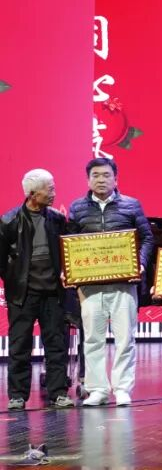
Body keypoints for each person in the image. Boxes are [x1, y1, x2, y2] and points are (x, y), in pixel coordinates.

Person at [67, 158, 156, 407]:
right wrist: (69, 270)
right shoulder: (77, 208)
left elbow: (147, 239)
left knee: (125, 338)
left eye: (106, 175)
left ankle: (123, 388)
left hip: (124, 284)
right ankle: (98, 390)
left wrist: (140, 264)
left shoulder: (131, 205)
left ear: (115, 178)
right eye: (95, 175)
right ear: (88, 180)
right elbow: (70, 243)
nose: (101, 180)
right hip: (90, 286)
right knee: (92, 339)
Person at [0, 170, 74, 410]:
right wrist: (14, 282)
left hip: (52, 293)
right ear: (33, 194)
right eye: (49, 189)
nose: (54, 193)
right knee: (19, 345)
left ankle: (58, 392)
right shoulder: (9, 221)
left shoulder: (57, 219)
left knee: (56, 344)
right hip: (23, 294)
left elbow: (66, 253)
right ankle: (17, 395)